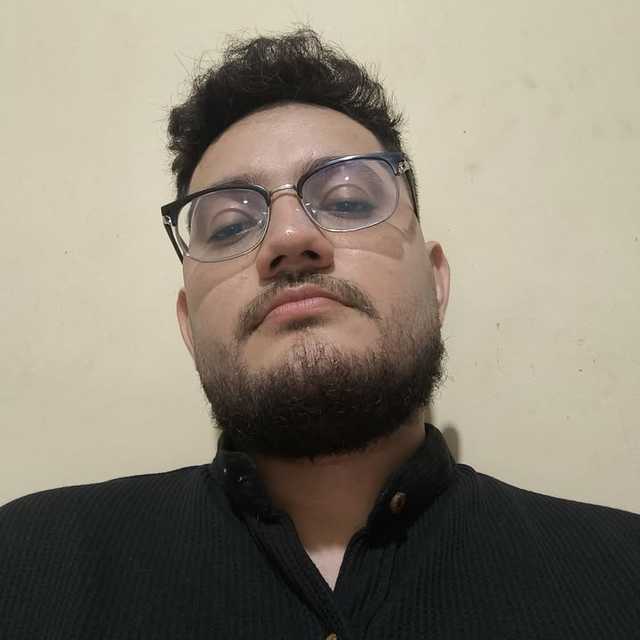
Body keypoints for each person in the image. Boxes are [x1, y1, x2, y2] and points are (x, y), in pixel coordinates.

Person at [1, 28, 638, 640]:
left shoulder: (623, 576)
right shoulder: (25, 565)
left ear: (437, 282)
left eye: (349, 201)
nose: (289, 237)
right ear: (188, 325)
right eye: (230, 226)